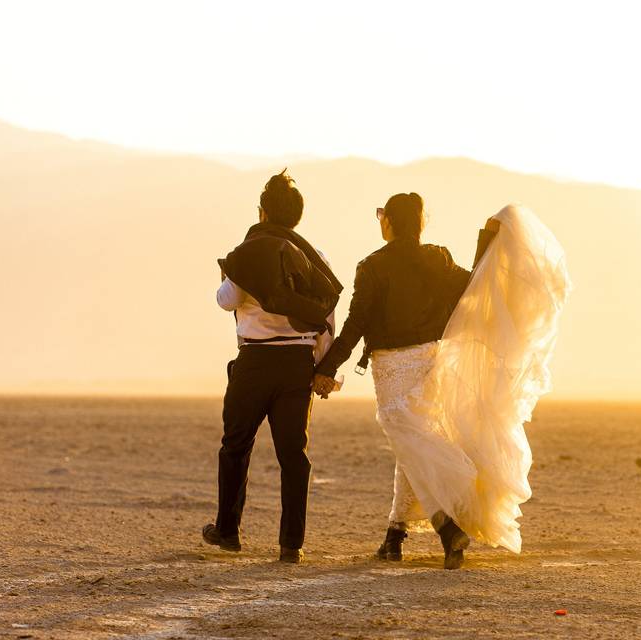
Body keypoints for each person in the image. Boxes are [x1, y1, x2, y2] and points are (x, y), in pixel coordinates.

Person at [313, 193, 570, 569]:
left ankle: (448, 529)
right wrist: (487, 241)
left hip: (392, 369)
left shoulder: (372, 266)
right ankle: (394, 537)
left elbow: (356, 323)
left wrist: (326, 368)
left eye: (382, 216)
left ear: (389, 223)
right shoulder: (437, 259)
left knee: (410, 442)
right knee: (412, 449)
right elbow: (472, 288)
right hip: (430, 363)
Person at [202, 170, 341, 563]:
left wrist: (228, 274)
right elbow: (326, 318)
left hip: (255, 361)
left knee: (235, 447)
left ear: (262, 213)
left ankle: (227, 532)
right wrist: (321, 366)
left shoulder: (246, 252)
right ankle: (290, 545)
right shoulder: (317, 258)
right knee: (294, 455)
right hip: (297, 362)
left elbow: (225, 301)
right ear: (297, 216)